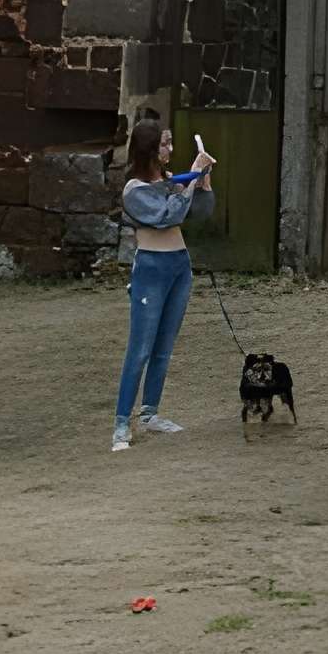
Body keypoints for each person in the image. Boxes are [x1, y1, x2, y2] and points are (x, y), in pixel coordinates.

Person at [109, 113, 213, 453]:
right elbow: (167, 215)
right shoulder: (134, 190)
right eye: (165, 143)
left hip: (179, 267)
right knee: (139, 350)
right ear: (150, 149)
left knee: (163, 349)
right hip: (151, 270)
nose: (170, 148)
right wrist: (190, 182)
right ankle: (122, 424)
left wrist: (203, 183)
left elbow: (198, 213)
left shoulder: (170, 180)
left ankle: (150, 414)